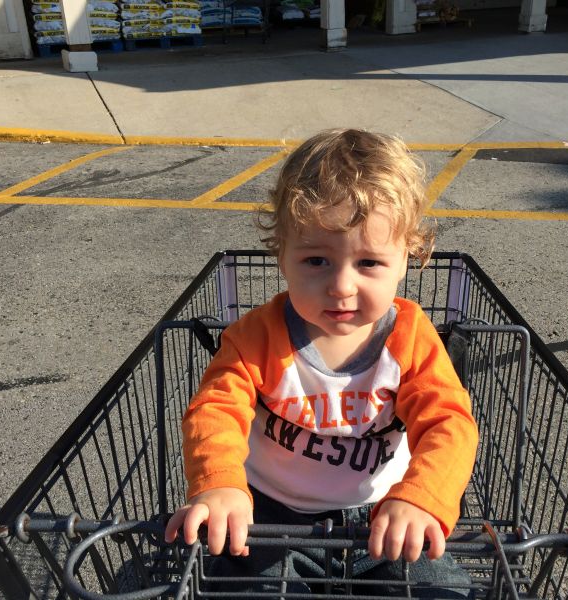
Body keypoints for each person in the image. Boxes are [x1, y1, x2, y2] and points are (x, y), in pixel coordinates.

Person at [165, 128, 479, 597]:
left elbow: (448, 423)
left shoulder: (410, 338)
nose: (342, 287)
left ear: (407, 257)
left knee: (440, 591)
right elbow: (216, 411)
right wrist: (220, 483)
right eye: (316, 261)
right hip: (271, 518)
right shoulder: (257, 336)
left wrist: (421, 498)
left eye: (369, 263)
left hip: (385, 517)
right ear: (282, 256)